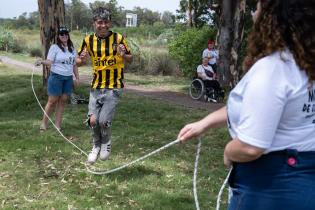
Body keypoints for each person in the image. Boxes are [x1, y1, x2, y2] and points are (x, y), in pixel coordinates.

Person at [178, 0, 315, 209]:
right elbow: (257, 108)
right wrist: (204, 123)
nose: (253, 13)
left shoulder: (273, 69)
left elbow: (251, 148)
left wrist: (229, 151)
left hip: (271, 188)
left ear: (274, 17)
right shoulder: (305, 65)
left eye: (258, 7)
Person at [76, 7, 132, 164]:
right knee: (92, 120)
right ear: (94, 23)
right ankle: (95, 145)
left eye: (106, 22)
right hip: (96, 87)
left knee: (103, 121)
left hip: (114, 87)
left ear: (110, 23)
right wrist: (82, 59)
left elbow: (130, 58)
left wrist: (123, 55)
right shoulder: (88, 40)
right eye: (99, 22)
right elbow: (78, 62)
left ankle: (105, 143)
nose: (103, 25)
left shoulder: (118, 38)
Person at [36, 26, 79, 131]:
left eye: (66, 33)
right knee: (52, 101)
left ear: (68, 35)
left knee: (63, 101)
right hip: (56, 77)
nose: (64, 36)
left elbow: (74, 65)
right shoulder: (54, 47)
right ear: (58, 36)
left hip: (68, 78)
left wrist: (77, 77)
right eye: (61, 34)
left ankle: (57, 126)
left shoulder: (72, 49)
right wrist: (41, 61)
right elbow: (49, 62)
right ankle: (43, 124)